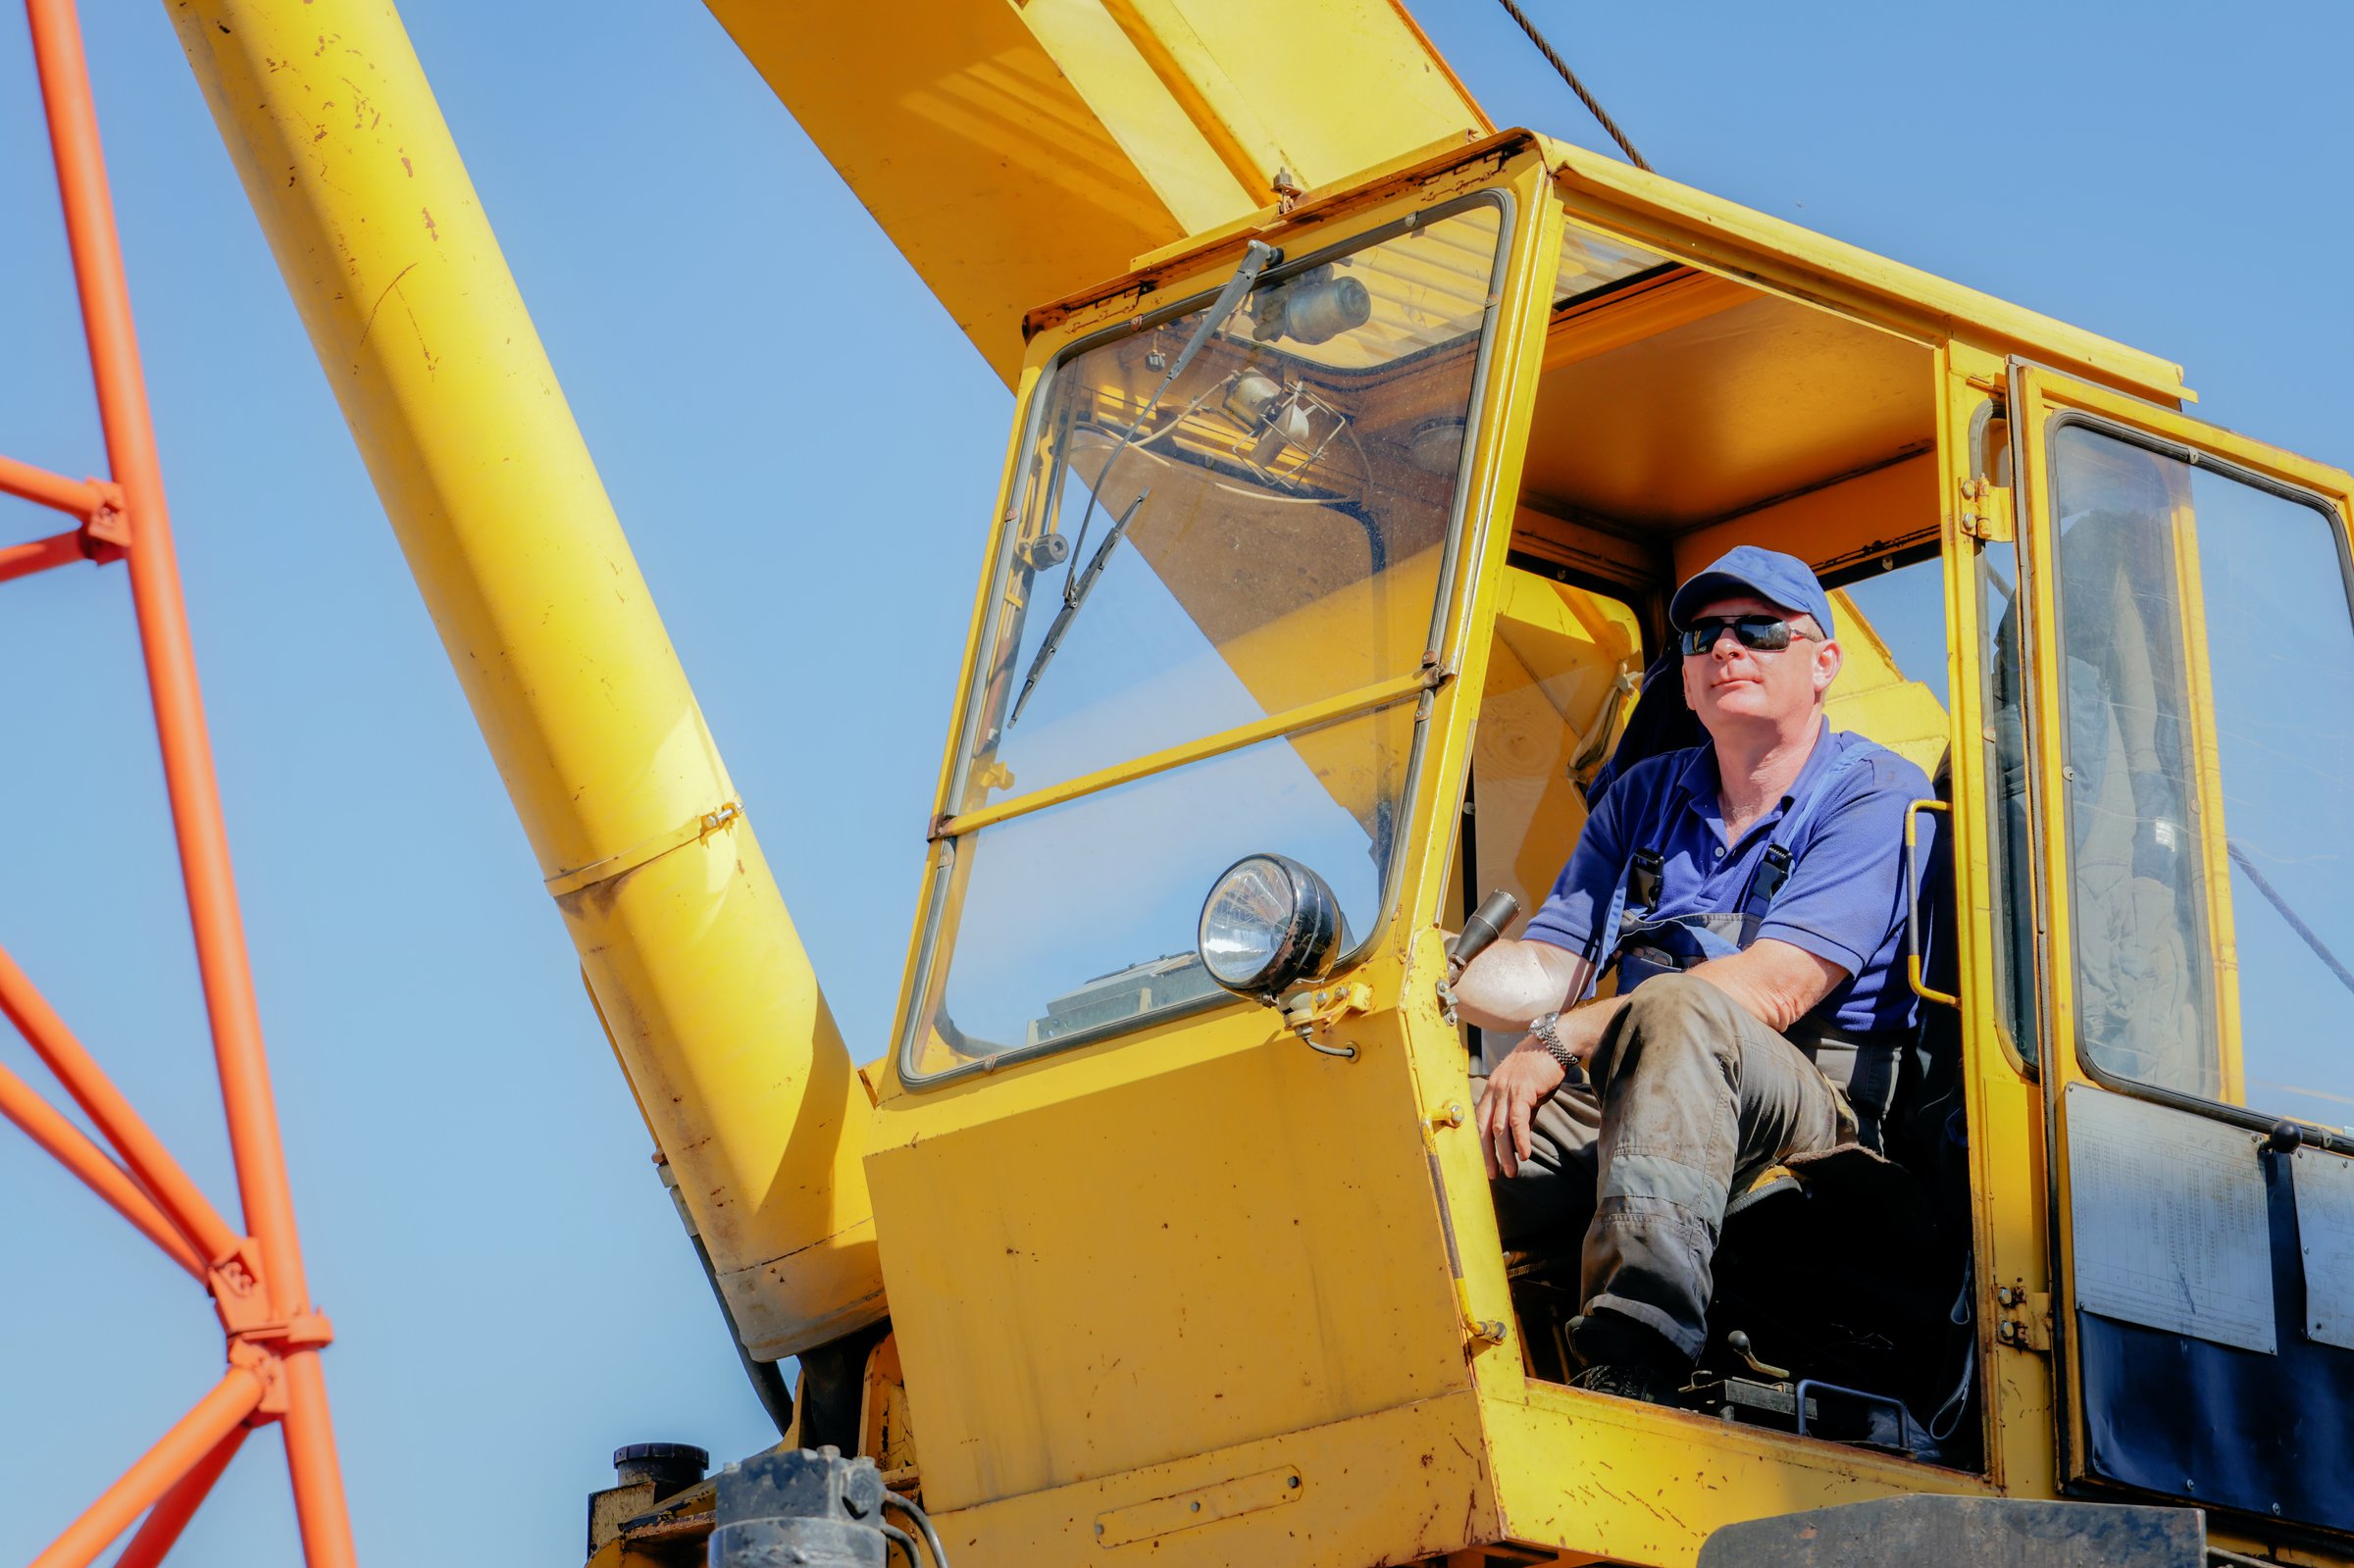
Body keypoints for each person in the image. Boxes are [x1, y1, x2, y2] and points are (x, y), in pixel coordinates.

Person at [1455, 545, 1933, 1403]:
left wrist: (1559, 1041)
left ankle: (1637, 1350)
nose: (1726, 649)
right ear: (1683, 678)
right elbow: (1548, 969)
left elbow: (1770, 989)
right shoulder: (1644, 795)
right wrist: (1417, 967)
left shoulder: (1872, 794)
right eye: (1704, 636)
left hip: (1811, 1115)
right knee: (1444, 1132)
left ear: (1824, 662)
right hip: (1638, 1086)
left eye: (1759, 630)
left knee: (1678, 1006)